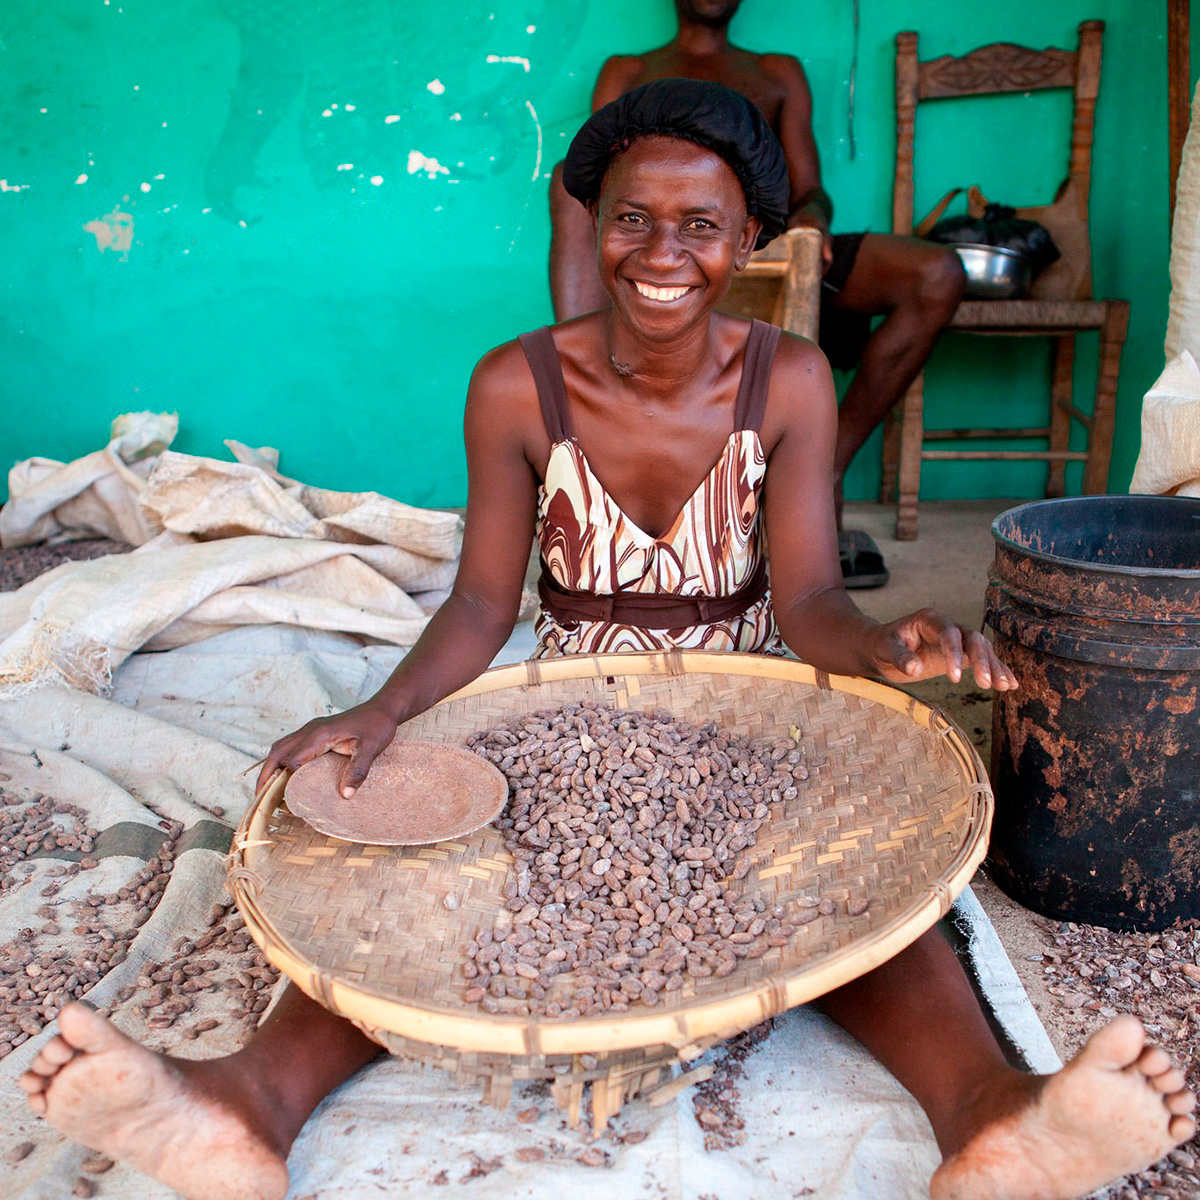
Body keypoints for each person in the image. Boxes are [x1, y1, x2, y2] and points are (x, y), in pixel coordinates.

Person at [20, 81, 1193, 1200]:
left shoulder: (789, 380)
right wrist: (379, 711)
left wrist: (891, 647)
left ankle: (987, 1117)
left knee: (864, 874)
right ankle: (246, 1108)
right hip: (566, 698)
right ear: (597, 224)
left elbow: (809, 607)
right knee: (424, 872)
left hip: (752, 698)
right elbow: (483, 605)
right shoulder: (515, 386)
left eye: (701, 225)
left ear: (750, 244)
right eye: (633, 219)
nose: (662, 254)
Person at [549, 0, 968, 589]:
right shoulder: (628, 69)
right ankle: (586, 401)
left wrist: (812, 223)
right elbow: (604, 186)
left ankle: (824, 464)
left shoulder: (777, 71)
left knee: (937, 272)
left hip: (767, 237)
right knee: (567, 177)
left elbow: (810, 191)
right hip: (664, 249)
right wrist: (669, 227)